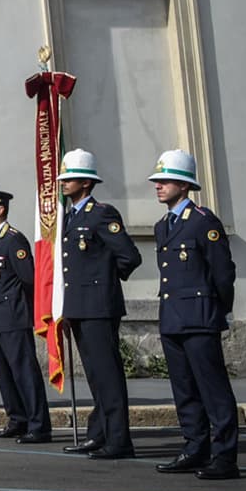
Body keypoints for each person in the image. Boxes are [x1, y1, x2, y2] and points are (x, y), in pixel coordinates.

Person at [146, 149, 239, 479]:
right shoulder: (163, 226)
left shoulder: (203, 222)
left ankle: (225, 456)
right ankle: (195, 447)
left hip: (200, 317)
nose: (158, 186)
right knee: (184, 390)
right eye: (157, 181)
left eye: (166, 180)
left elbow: (223, 273)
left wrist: (218, 310)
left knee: (213, 390)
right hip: (172, 317)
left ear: (184, 185)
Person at [56, 149, 142, 460]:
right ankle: (99, 432)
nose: (64, 183)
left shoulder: (102, 214)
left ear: (87, 183)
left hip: (99, 306)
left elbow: (129, 256)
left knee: (108, 374)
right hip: (79, 307)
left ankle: (119, 440)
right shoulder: (70, 217)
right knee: (94, 375)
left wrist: (101, 281)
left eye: (70, 178)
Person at [0, 186, 50, 444]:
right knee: (5, 373)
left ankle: (38, 425)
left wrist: (21, 309)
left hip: (13, 317)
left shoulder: (13, 239)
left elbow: (29, 279)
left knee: (24, 372)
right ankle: (17, 419)